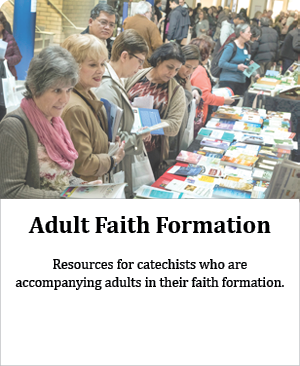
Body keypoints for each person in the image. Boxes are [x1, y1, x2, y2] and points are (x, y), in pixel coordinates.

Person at [0, 46, 80, 198]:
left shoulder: (55, 122)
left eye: (69, 90)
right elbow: (10, 192)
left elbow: (60, 178)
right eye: (57, 90)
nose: (65, 99)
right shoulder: (15, 126)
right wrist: (65, 199)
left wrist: (83, 188)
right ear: (34, 87)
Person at [61, 34, 125, 184]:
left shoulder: (87, 92)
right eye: (92, 65)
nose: (101, 70)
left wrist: (107, 142)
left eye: (102, 64)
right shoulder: (75, 107)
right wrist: (112, 159)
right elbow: (83, 163)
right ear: (73, 66)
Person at [94, 30, 150, 197]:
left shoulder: (116, 81)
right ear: (124, 56)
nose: (141, 68)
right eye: (139, 61)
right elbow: (112, 138)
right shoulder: (107, 87)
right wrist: (139, 137)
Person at [126, 42, 186, 176]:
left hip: (150, 154)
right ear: (159, 61)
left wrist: (148, 123)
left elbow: (174, 126)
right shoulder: (137, 76)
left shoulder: (176, 91)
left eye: (176, 69)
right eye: (169, 67)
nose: (172, 73)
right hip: (126, 145)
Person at [190, 37, 234, 131]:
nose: (209, 56)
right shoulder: (199, 70)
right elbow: (204, 96)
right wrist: (223, 100)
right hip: (199, 113)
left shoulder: (194, 68)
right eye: (208, 53)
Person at [170, 44, 201, 154]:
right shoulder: (170, 78)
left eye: (194, 68)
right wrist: (188, 92)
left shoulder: (183, 78)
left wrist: (194, 89)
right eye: (187, 66)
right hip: (170, 138)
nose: (190, 71)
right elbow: (180, 103)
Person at [218, 23, 256, 97]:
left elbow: (244, 64)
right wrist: (237, 67)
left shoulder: (247, 47)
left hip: (241, 81)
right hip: (228, 81)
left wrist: (251, 67)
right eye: (248, 32)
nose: (251, 34)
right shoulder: (231, 47)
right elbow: (221, 63)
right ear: (241, 33)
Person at [123, 1, 162, 68]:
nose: (151, 15)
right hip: (143, 63)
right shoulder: (151, 25)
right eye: (150, 12)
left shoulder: (127, 21)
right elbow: (157, 46)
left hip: (127, 59)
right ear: (146, 12)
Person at [0, 11, 22, 79]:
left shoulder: (9, 38)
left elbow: (18, 56)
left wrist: (7, 60)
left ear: (3, 25)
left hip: (6, 75)